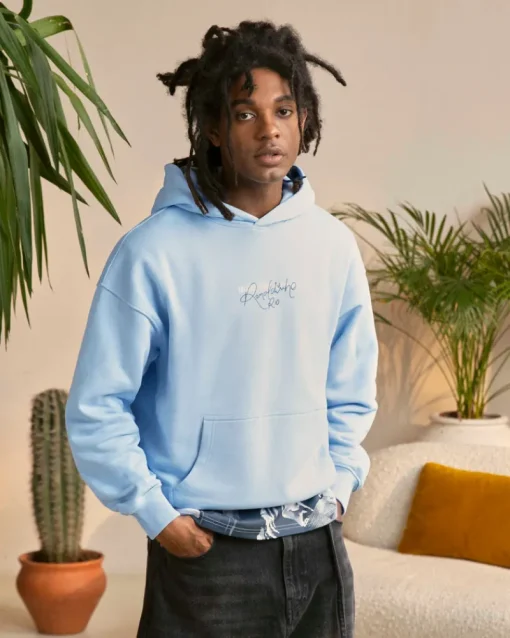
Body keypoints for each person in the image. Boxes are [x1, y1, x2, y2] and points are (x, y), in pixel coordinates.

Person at [66, 19, 378, 638]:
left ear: (304, 120)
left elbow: (351, 386)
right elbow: (98, 405)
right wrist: (156, 514)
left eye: (284, 110)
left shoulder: (332, 245)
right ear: (213, 127)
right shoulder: (153, 253)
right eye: (245, 113)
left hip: (317, 542)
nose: (269, 129)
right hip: (207, 550)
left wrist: (342, 482)